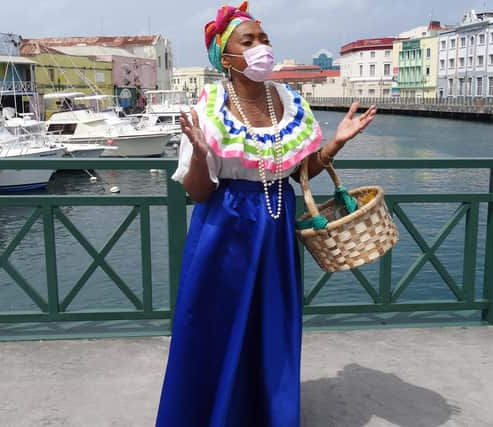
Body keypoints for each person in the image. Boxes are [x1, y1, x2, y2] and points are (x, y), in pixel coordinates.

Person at [156, 2, 377, 426]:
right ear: (227, 58)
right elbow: (200, 193)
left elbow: (303, 172)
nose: (262, 47)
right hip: (224, 229)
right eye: (249, 40)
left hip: (275, 226)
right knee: (215, 324)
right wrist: (202, 157)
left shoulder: (289, 102)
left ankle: (266, 413)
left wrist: (337, 143)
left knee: (271, 324)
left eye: (265, 38)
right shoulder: (209, 108)